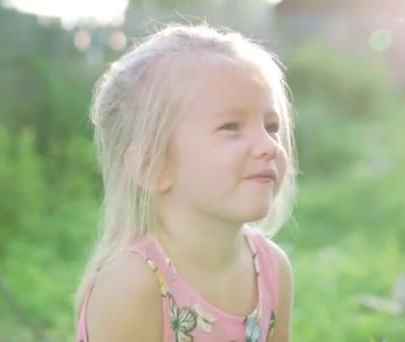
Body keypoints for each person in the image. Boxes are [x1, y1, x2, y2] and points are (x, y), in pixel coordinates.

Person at [74, 23, 297, 342]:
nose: (269, 146)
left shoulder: (272, 268)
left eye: (271, 126)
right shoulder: (134, 285)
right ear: (154, 166)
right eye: (231, 126)